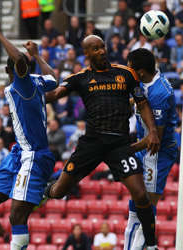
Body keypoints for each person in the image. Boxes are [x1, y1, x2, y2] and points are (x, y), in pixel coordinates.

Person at [45, 35, 160, 250]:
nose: (101, 51)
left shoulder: (126, 74)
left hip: (119, 144)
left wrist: (152, 131)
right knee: (59, 191)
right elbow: (55, 94)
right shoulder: (80, 77)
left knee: (141, 195)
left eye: (102, 47)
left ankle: (152, 245)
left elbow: (142, 104)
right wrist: (29, 93)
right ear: (87, 54)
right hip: (92, 143)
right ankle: (44, 191)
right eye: (95, 49)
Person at [0, 13, 57, 250]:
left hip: (34, 155)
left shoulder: (23, 83)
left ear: (12, 70)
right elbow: (53, 79)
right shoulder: (37, 81)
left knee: (16, 216)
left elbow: (20, 62)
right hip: (19, 153)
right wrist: (36, 55)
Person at [124, 48, 178, 250]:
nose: (127, 70)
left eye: (130, 68)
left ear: (141, 71)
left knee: (143, 209)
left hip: (157, 153)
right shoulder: (144, 81)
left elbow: (156, 139)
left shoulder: (160, 94)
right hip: (143, 147)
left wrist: (127, 149)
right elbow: (138, 98)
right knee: (135, 207)